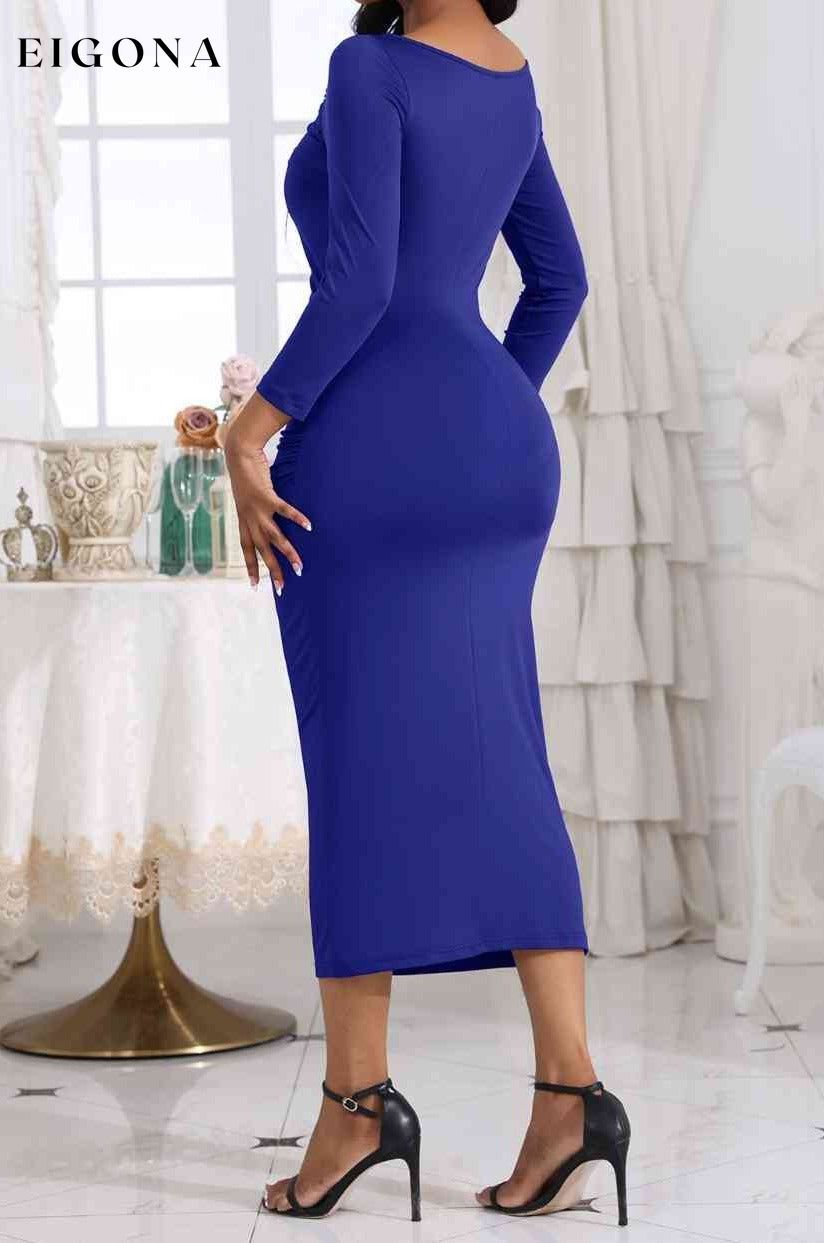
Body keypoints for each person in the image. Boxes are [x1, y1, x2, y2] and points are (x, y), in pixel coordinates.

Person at [225, 0, 630, 1223]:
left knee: (360, 765)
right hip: (498, 456)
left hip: (372, 458)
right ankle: (571, 1092)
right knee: (505, 758)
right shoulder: (509, 77)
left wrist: (251, 429)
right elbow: (558, 281)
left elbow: (357, 285)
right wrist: (478, 407)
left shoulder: (371, 66)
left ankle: (356, 1104)